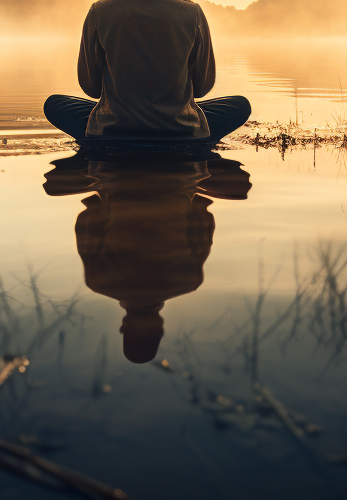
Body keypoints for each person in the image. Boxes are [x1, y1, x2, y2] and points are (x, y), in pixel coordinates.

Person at [43, 0, 252, 144]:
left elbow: (91, 88)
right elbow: (202, 88)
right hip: (179, 133)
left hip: (114, 132)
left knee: (55, 105)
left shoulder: (100, 11)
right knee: (239, 106)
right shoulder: (192, 12)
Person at [43, 153, 251, 362]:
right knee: (52, 187)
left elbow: (203, 220)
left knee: (240, 189)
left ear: (160, 328)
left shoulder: (190, 282)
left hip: (183, 175)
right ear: (124, 327)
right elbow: (86, 221)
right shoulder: (98, 282)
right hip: (112, 175)